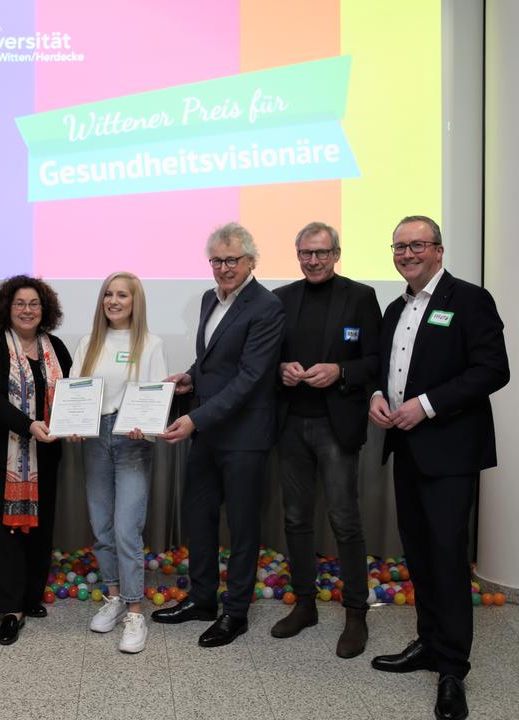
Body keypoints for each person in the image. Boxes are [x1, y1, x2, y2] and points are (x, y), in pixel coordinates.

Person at [368, 215, 509, 720]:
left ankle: (452, 669)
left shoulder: (469, 300)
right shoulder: (392, 309)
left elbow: (494, 369)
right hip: (405, 449)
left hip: (449, 450)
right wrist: (379, 396)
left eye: (417, 245)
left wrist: (425, 405)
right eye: (399, 245)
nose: (407, 253)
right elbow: (386, 369)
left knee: (448, 558)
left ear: (439, 250)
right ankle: (428, 643)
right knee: (421, 554)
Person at [153, 222, 285, 647]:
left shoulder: (266, 307)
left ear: (251, 262)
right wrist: (191, 378)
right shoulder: (211, 299)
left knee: (243, 526)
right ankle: (203, 599)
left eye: (232, 260)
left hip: (244, 436)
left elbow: (249, 378)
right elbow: (213, 360)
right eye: (217, 260)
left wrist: (195, 419)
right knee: (199, 517)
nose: (224, 268)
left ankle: (236, 613)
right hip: (208, 431)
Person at [270, 221, 381, 658]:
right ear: (297, 255)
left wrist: (340, 371)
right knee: (296, 519)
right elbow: (271, 357)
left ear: (336, 254)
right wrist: (281, 370)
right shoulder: (282, 299)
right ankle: (306, 605)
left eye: (320, 253)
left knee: (344, 520)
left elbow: (376, 359)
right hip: (292, 425)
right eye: (305, 253)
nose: (312, 260)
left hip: (336, 426)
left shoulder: (361, 297)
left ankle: (356, 614)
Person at [0, 275, 71, 645]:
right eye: (19, 304)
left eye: (34, 304)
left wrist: (73, 424)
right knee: (4, 533)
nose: (27, 310)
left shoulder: (55, 346)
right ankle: (10, 608)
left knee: (40, 529)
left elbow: (70, 396)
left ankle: (30, 596)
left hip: (45, 454)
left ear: (45, 310)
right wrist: (30, 425)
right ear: (6, 309)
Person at [70, 272, 167, 654]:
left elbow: (157, 394)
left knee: (128, 528)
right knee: (102, 524)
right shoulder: (88, 342)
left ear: (134, 301)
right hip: (94, 439)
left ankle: (135, 611)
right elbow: (74, 391)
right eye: (108, 294)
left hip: (132, 441)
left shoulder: (151, 343)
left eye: (122, 295)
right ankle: (113, 596)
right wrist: (73, 424)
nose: (113, 301)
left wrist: (148, 425)